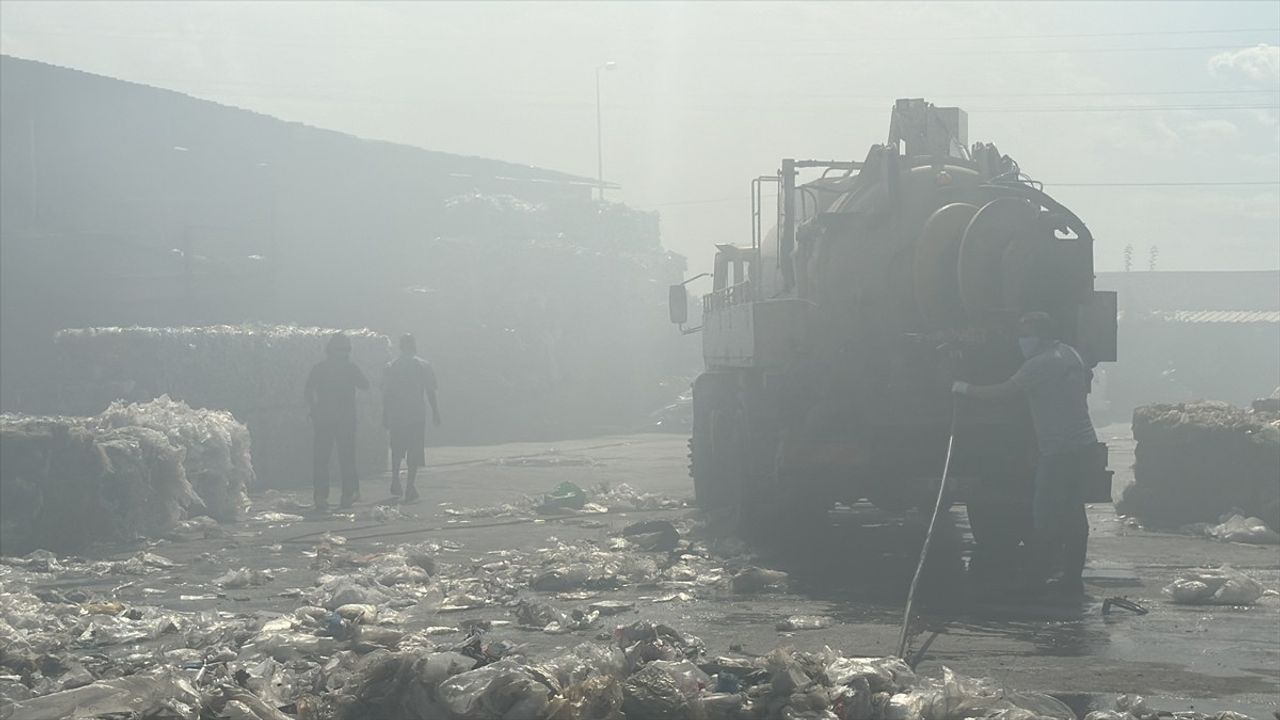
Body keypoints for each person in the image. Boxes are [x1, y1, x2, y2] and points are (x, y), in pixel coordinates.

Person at [952, 311, 1098, 596]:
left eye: (1026, 334)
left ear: (1041, 336)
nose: (1021, 341)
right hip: (1084, 445)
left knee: (1044, 514)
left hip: (1058, 451)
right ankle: (1071, 575)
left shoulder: (1039, 365)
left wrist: (963, 387)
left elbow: (1002, 391)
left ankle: (1037, 577)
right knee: (1074, 512)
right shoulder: (1070, 354)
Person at [305, 332, 370, 511]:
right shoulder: (350, 368)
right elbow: (365, 385)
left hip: (324, 418)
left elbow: (308, 390)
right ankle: (347, 495)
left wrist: (314, 408)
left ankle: (320, 496)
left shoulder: (319, 368)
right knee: (346, 458)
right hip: (345, 419)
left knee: (321, 459)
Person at [382, 333, 440, 503]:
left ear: (401, 346)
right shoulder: (423, 365)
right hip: (416, 415)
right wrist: (435, 412)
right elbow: (430, 391)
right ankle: (410, 486)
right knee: (414, 451)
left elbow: (387, 393)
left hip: (397, 415)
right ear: (414, 345)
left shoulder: (391, 366)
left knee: (397, 448)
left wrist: (385, 414)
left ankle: (394, 479)